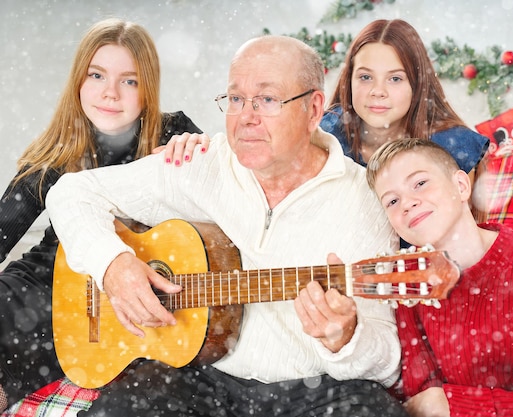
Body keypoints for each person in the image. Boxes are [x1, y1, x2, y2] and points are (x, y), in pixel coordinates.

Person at [45, 35, 407, 417]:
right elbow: (71, 193)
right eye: (235, 99)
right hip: (203, 381)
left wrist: (346, 338)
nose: (246, 118)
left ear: (313, 108)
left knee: (376, 410)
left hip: (314, 395)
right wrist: (112, 265)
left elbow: (387, 362)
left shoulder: (366, 200)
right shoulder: (202, 163)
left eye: (267, 100)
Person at [0, 18, 207, 410]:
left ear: (148, 88)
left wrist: (204, 158)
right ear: (79, 80)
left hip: (125, 300)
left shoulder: (176, 136)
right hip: (46, 288)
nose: (110, 93)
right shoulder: (54, 153)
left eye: (129, 80)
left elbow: (219, 223)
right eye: (97, 75)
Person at [365, 138, 513, 417]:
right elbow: (421, 393)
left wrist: (451, 405)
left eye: (420, 183)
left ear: (460, 186)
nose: (407, 203)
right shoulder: (408, 280)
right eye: (392, 201)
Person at [320, 19, 487, 179]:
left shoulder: (452, 145)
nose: (378, 91)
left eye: (395, 79)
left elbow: (463, 208)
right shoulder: (325, 133)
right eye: (365, 77)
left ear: (416, 85)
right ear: (349, 80)